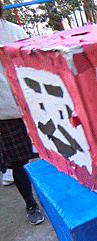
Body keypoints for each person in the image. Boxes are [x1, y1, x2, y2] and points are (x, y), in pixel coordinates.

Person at [0, 0, 44, 225]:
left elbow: (31, 62)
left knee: (49, 153)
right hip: (5, 111)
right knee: (18, 160)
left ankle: (56, 199)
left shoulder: (13, 31)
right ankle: (31, 204)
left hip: (30, 101)